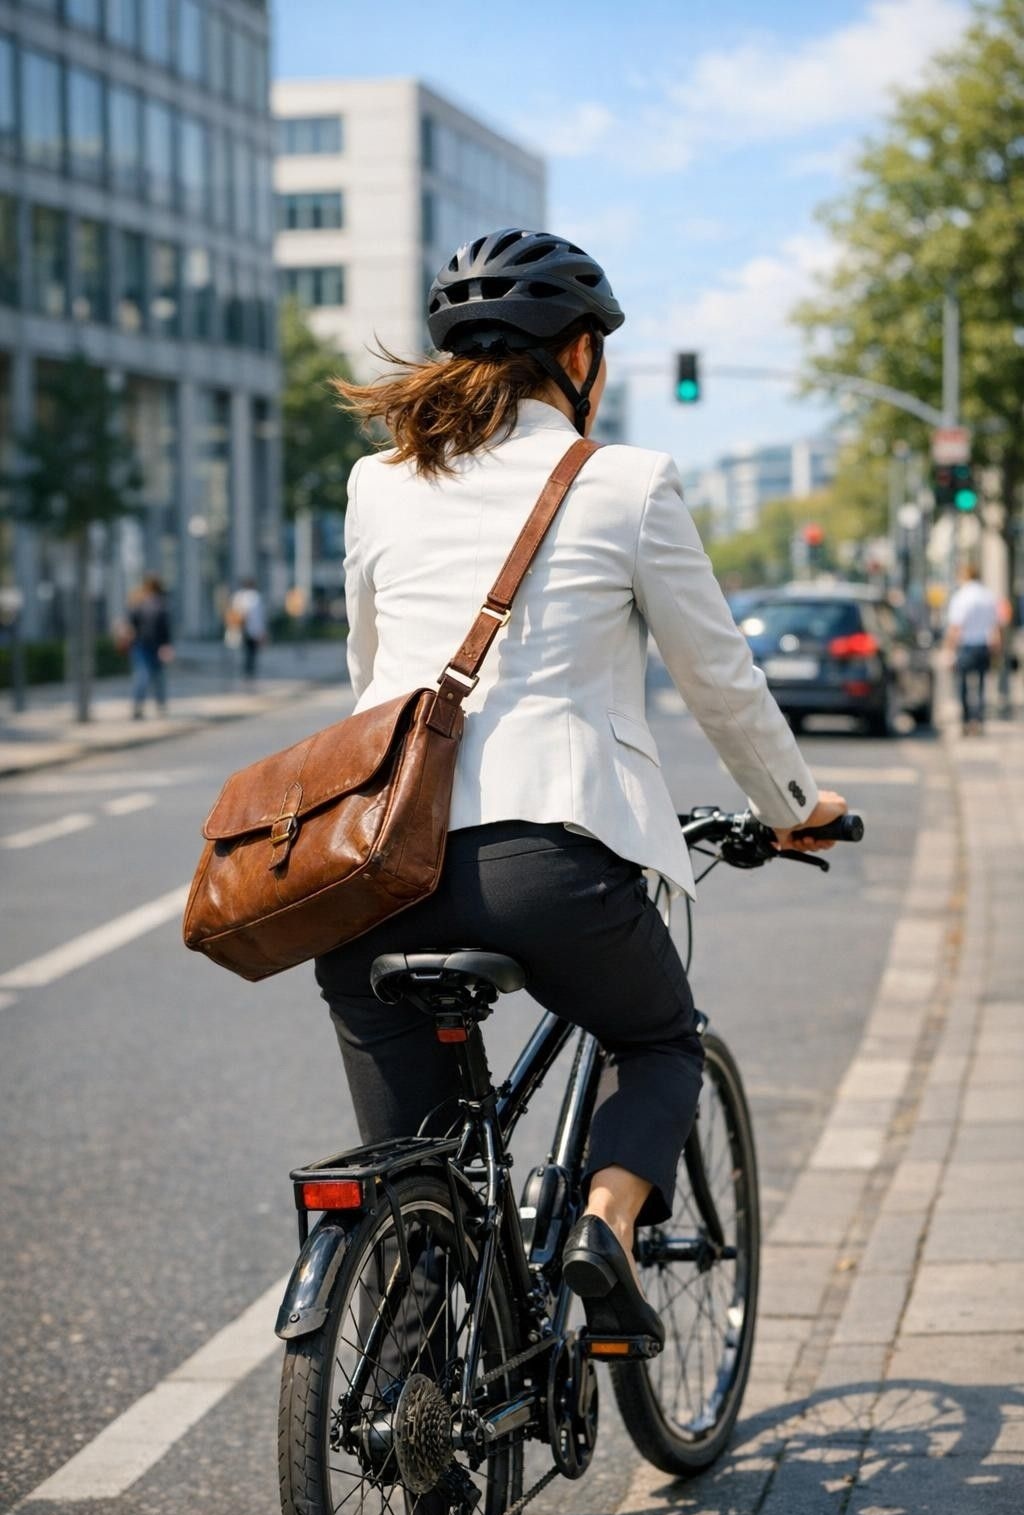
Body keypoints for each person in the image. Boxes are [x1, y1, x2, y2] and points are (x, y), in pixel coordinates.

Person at [316, 228, 847, 1345]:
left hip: (375, 874)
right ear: (578, 355)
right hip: (545, 864)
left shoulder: (375, 483)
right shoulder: (625, 482)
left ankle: (415, 1412)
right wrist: (792, 808)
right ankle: (605, 1230)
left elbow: (372, 682)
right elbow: (719, 677)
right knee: (657, 1040)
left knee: (409, 1168)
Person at [946, 561, 1000, 734]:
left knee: (963, 685)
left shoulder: (961, 596)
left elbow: (956, 626)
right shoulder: (987, 596)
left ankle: (966, 721)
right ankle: (980, 720)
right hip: (984, 644)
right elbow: (995, 625)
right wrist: (997, 648)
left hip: (966, 645)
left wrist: (949, 650)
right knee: (982, 685)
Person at [125, 574, 172, 719]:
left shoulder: (138, 602)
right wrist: (166, 645)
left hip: (141, 645)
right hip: (152, 645)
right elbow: (165, 628)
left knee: (143, 677)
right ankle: (159, 706)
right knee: (155, 678)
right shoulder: (160, 604)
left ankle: (139, 708)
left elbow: (131, 624)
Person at [226, 578, 266, 680]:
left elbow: (234, 611)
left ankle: (246, 669)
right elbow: (259, 616)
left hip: (241, 627)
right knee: (252, 650)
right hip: (253, 628)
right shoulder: (256, 597)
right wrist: (261, 630)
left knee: (245, 649)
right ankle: (250, 669)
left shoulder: (238, 596)